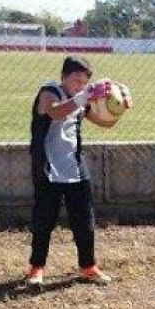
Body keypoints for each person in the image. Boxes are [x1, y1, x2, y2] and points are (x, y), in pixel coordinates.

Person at [25, 55, 129, 286]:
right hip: (47, 166)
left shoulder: (81, 100)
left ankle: (88, 267)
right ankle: (36, 268)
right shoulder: (49, 91)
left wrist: (120, 107)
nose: (79, 85)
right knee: (44, 219)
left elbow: (106, 123)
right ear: (63, 77)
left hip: (74, 166)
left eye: (84, 81)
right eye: (75, 79)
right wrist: (84, 96)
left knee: (84, 219)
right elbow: (54, 112)